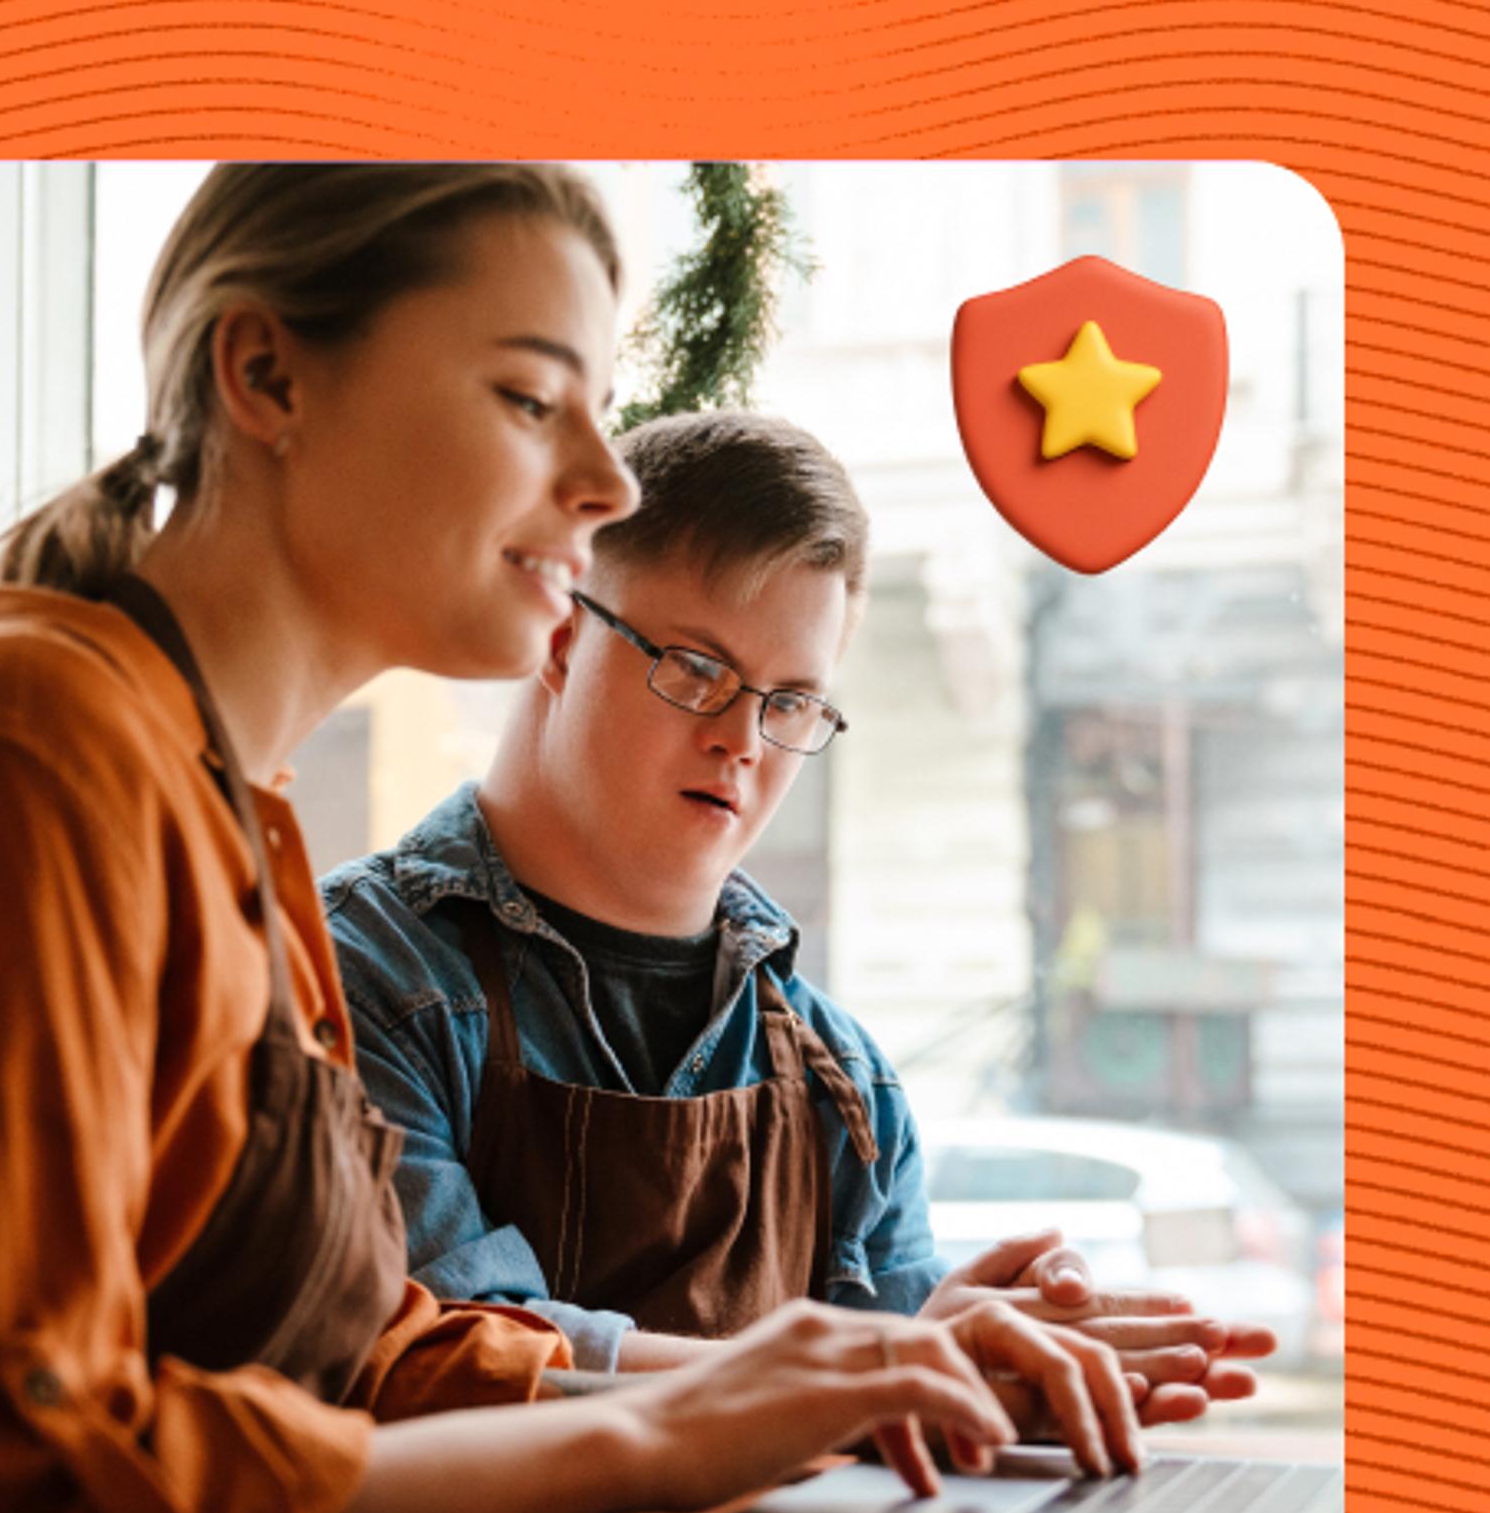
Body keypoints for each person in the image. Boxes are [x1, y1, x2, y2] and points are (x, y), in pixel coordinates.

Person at [0, 164, 1143, 1513]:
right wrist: (651, 1436)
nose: (605, 485)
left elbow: (373, 1357)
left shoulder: (225, 805)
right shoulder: (33, 752)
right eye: (537, 401)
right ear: (269, 372)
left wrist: (828, 1370)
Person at [320, 409, 1279, 1398]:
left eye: (789, 703)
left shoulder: (848, 1085)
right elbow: (438, 1361)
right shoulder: (350, 979)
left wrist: (994, 1377)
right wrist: (870, 1376)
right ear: (561, 638)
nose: (743, 739)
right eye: (696, 669)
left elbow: (897, 1405)